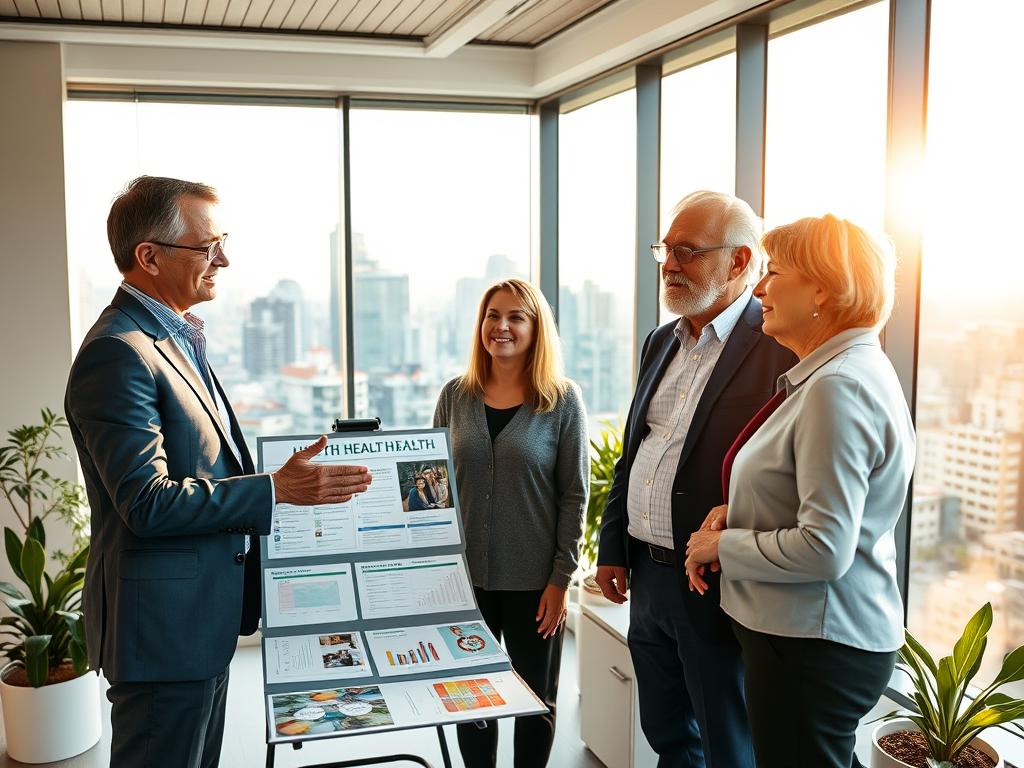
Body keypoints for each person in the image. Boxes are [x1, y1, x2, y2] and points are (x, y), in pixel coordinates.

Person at [64, 175, 373, 768]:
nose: (223, 259)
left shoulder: (172, 338)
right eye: (208, 246)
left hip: (197, 623)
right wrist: (275, 489)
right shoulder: (119, 352)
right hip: (162, 633)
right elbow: (148, 503)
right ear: (148, 257)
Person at [684, 214, 914, 768]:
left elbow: (825, 547)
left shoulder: (839, 387)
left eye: (775, 271)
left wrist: (722, 547)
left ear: (821, 289)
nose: (760, 287)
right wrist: (735, 513)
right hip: (808, 642)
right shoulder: (838, 373)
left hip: (813, 646)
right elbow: (810, 495)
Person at [595, 191, 796, 768]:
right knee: (667, 736)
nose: (669, 264)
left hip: (716, 583)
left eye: (687, 251)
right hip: (647, 577)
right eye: (665, 249)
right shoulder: (661, 341)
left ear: (739, 262)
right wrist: (613, 547)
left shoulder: (779, 348)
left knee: (727, 745)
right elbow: (635, 454)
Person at [433, 278, 588, 768]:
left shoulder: (562, 401)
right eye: (492, 315)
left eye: (515, 317)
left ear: (535, 328)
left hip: (535, 584)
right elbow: (431, 485)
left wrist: (561, 581)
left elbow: (574, 496)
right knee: (471, 700)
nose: (501, 326)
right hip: (464, 583)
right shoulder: (455, 396)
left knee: (534, 702)